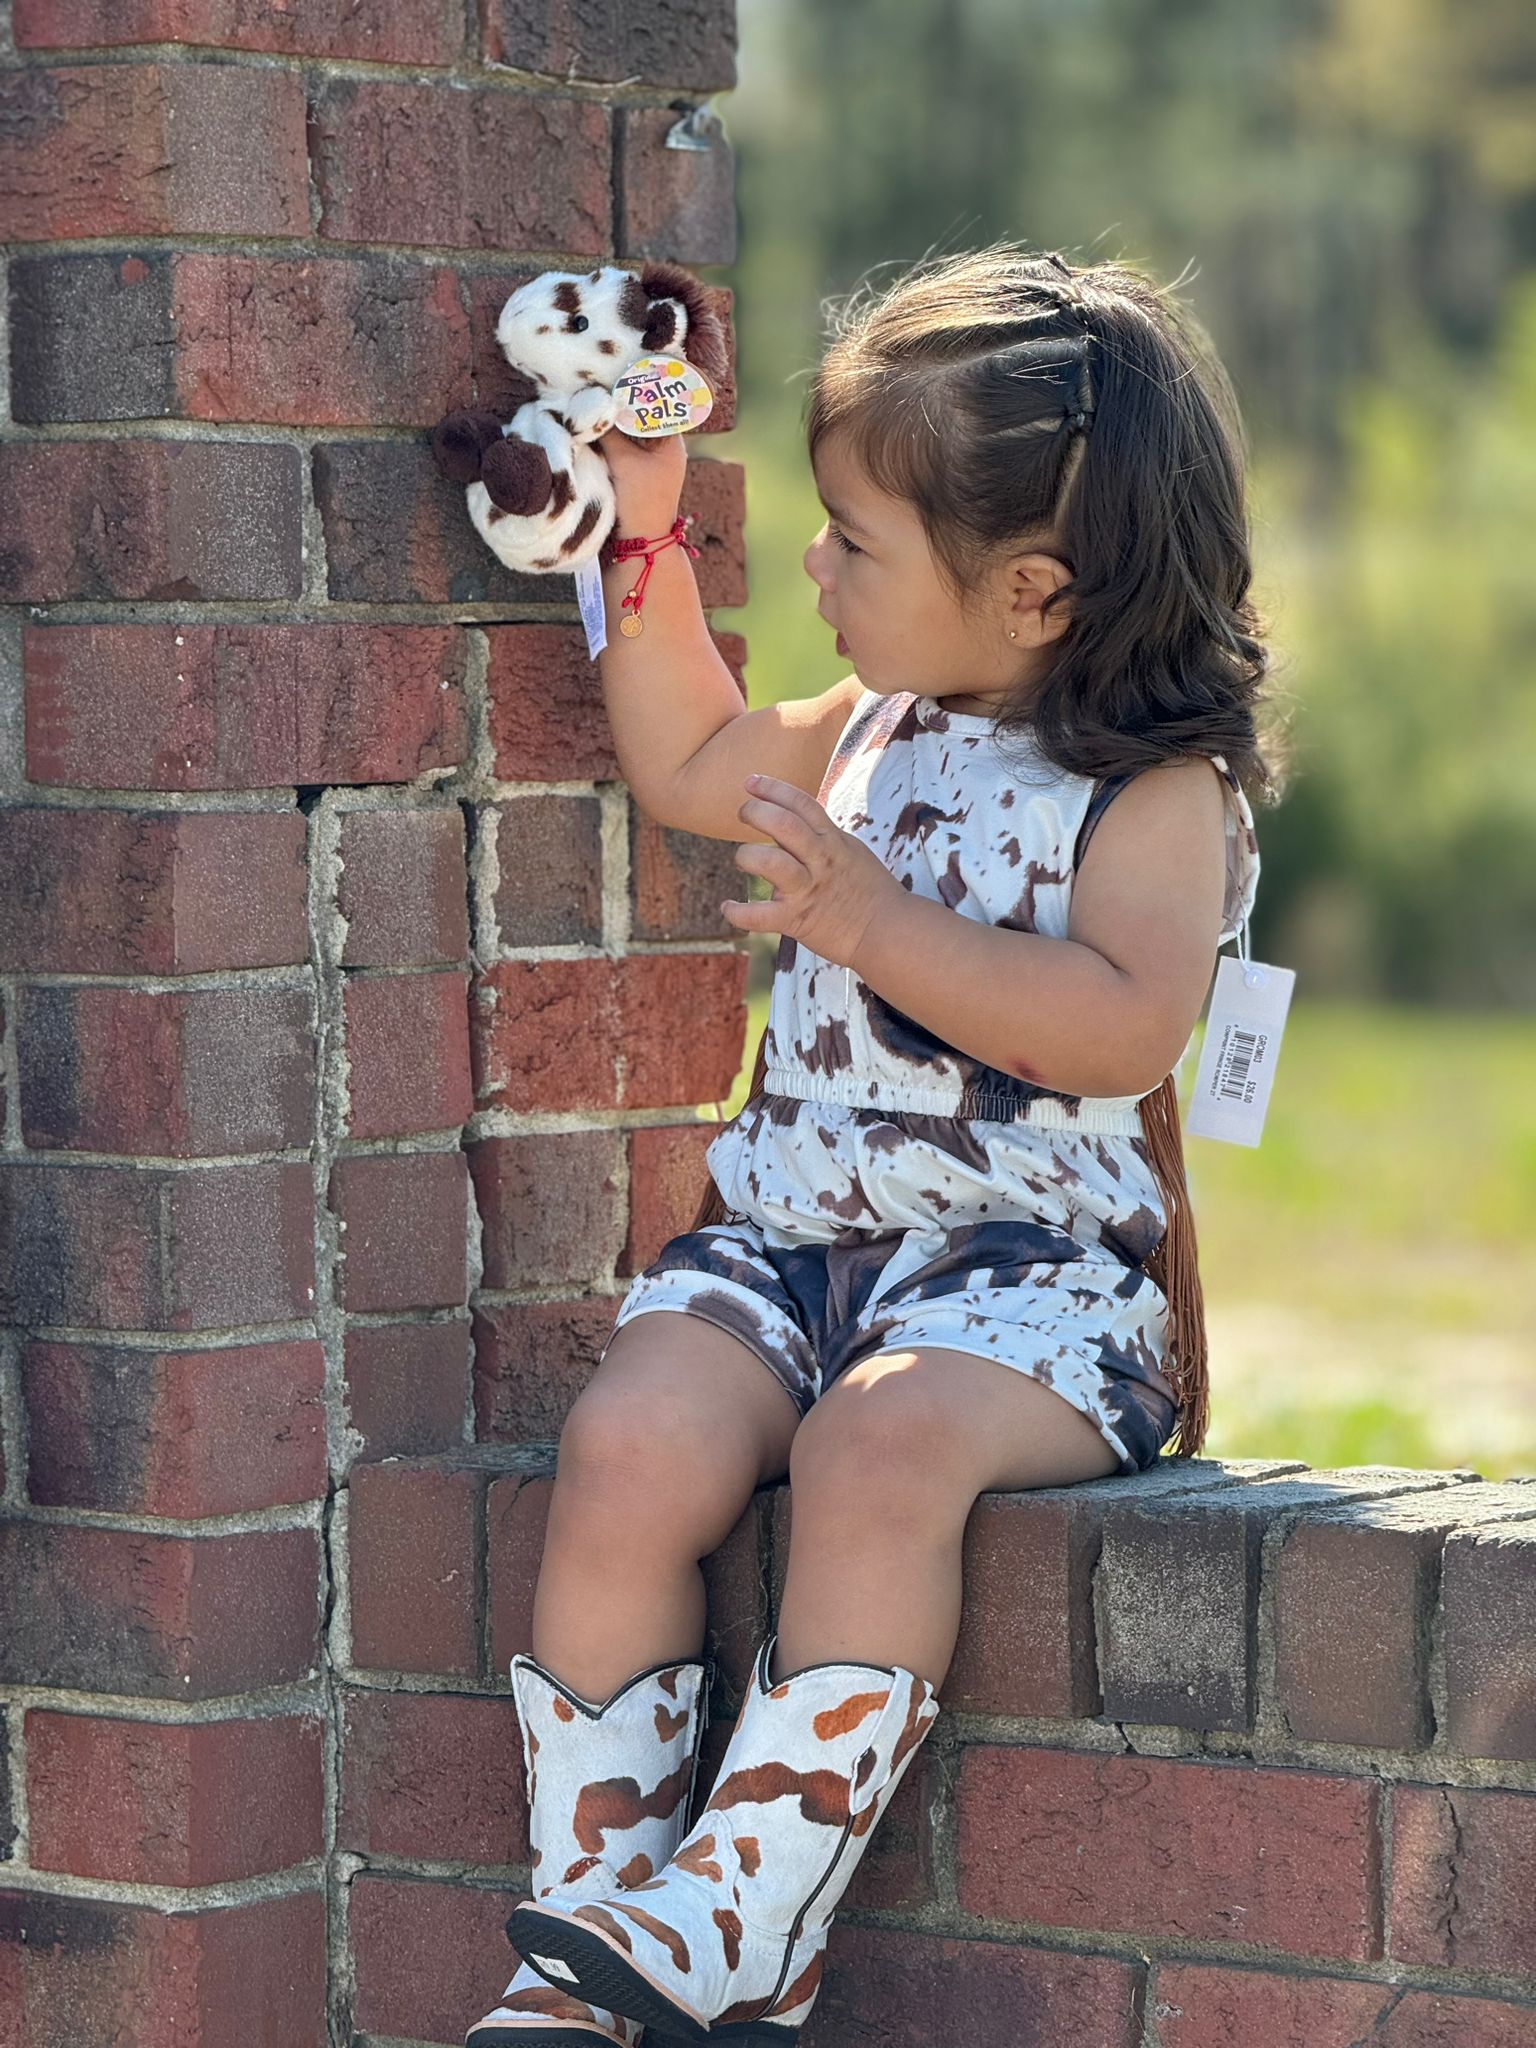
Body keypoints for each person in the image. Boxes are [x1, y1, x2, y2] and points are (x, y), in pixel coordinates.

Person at [465, 242, 1286, 2048]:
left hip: (1029, 1292)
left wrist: (870, 924)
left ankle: (755, 1906)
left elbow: (1122, 1025)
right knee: (627, 1442)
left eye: (854, 543)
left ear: (1033, 592)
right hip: (787, 1246)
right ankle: (600, 1934)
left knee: (880, 1448)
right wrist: (645, 539)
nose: (817, 570)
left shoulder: (1156, 800)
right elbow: (687, 759)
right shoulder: (866, 729)